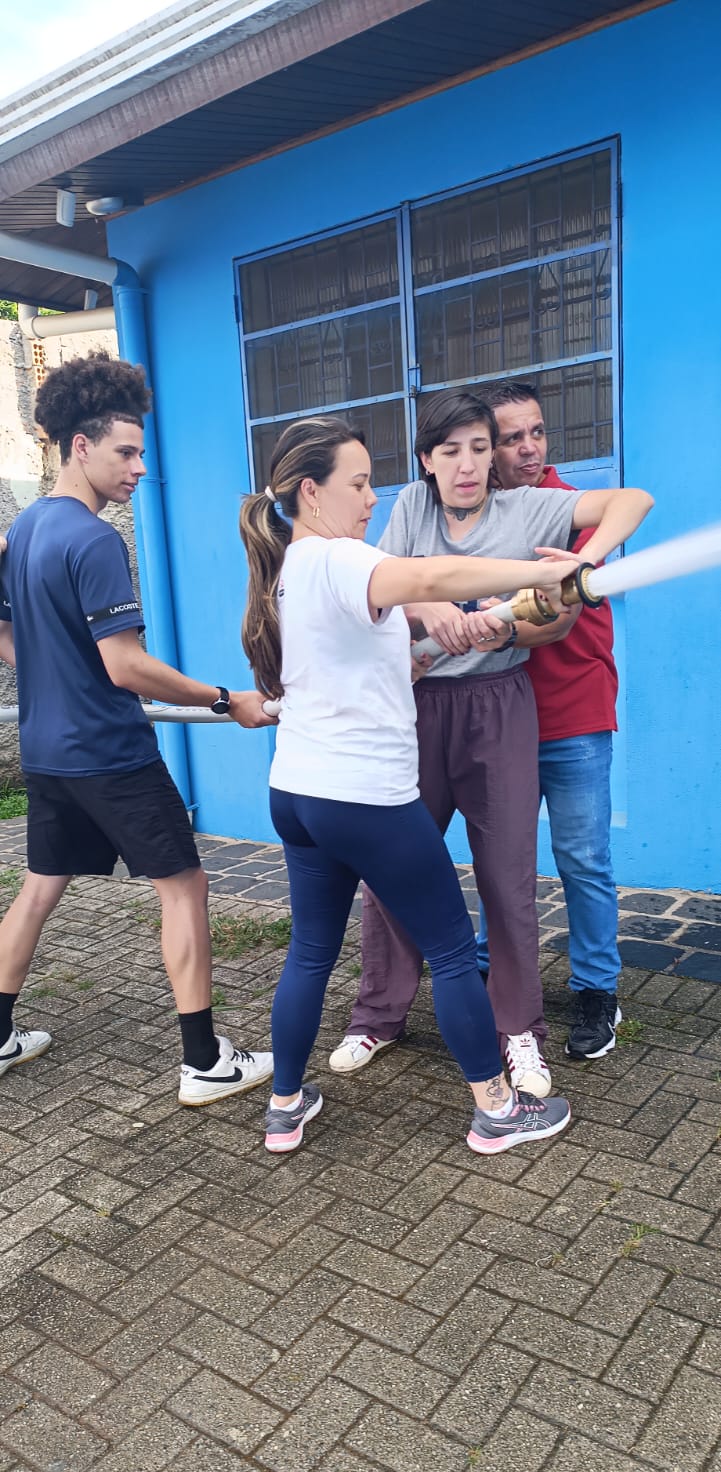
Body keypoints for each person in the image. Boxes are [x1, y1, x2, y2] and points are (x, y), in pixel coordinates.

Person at [239, 414, 582, 1156]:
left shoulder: (289, 567)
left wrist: (416, 657)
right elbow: (427, 576)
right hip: (363, 797)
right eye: (360, 484)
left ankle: (284, 1108)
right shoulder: (340, 558)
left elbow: (355, 661)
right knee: (454, 952)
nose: (373, 499)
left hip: (297, 792)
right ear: (311, 491)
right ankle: (497, 1112)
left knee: (309, 952)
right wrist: (535, 573)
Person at [329, 390, 653, 1094]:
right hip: (418, 707)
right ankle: (377, 1015)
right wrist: (430, 606)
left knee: (507, 877)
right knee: (392, 863)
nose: (468, 465)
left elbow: (634, 501)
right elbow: (379, 583)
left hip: (502, 703)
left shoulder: (529, 508)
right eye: (451, 451)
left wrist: (583, 562)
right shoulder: (410, 511)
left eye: (480, 448)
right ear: (426, 460)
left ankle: (519, 1032)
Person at [0, 350, 275, 1107]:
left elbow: (12, 639)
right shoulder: (93, 540)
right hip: (110, 754)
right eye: (125, 453)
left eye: (141, 453)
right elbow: (125, 666)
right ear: (79, 446)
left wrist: (57, 667)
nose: (139, 468)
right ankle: (204, 1063)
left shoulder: (26, 528)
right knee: (185, 886)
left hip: (48, 753)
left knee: (39, 888)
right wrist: (225, 698)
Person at [474, 381, 623, 1060]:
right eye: (512, 438)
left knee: (582, 858)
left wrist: (581, 562)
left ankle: (596, 989)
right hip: (503, 716)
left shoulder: (569, 509)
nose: (530, 448)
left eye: (536, 431)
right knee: (502, 859)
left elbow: (556, 614)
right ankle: (495, 970)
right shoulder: (473, 520)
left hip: (574, 713)